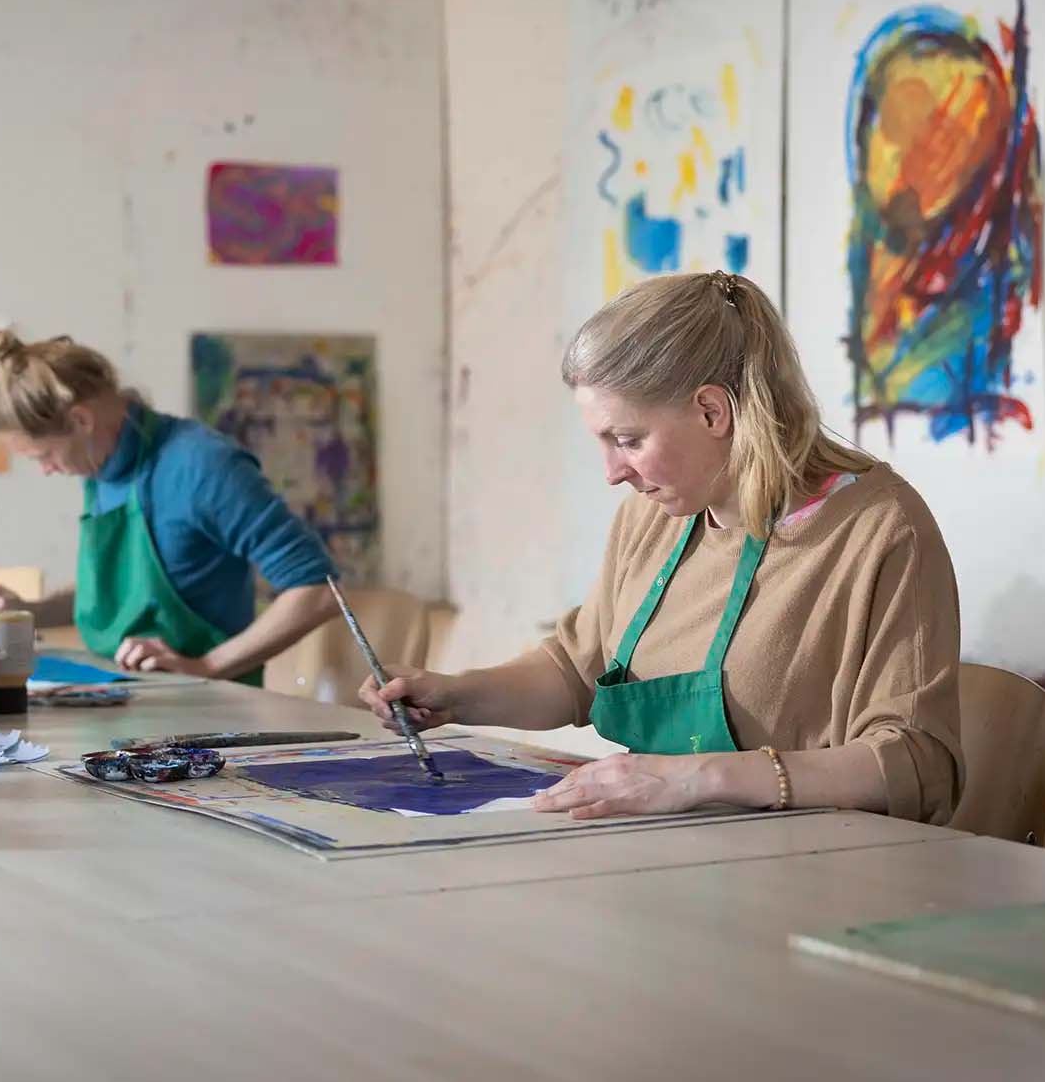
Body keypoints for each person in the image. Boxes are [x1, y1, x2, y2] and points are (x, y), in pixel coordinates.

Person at [361, 272, 963, 824]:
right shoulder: (656, 516)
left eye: (627, 439)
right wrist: (453, 695)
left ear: (711, 410)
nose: (613, 472)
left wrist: (698, 777)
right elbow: (578, 670)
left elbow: (917, 763)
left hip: (813, 871)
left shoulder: (879, 530)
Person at [0, 330, 337, 684]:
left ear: (81, 420)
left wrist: (206, 665)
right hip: (127, 695)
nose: (47, 471)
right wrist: (29, 611)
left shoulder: (202, 464)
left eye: (44, 456)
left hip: (211, 716)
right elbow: (124, 594)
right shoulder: (102, 467)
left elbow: (318, 591)